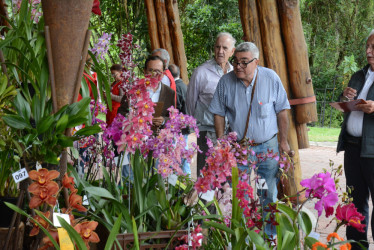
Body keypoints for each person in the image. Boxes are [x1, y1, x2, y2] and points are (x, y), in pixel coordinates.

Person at [209, 42, 292, 239]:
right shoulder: (226, 82)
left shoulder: (270, 78)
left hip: (268, 145)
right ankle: (243, 237)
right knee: (241, 195)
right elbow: (218, 113)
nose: (238, 66)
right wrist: (221, 140)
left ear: (256, 62)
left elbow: (282, 110)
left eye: (244, 62)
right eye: (236, 61)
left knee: (268, 193)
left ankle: (270, 236)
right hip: (239, 148)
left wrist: (284, 141)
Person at [337, 29, 374, 249]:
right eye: (367, 47)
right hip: (352, 148)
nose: (369, 51)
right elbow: (347, 106)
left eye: (373, 47)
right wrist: (345, 98)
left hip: (372, 151)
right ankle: (357, 247)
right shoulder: (360, 75)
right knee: (355, 204)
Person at [186, 32, 236, 176]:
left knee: (226, 176)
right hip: (207, 132)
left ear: (232, 52)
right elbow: (191, 103)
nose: (220, 51)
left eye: (225, 48)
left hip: (229, 134)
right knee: (205, 176)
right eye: (217, 47)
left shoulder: (235, 73)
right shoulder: (201, 72)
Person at [168, 64, 191, 175]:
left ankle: (186, 177)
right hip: (185, 124)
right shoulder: (184, 85)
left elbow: (175, 108)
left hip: (179, 126)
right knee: (182, 152)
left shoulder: (176, 87)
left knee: (180, 153)